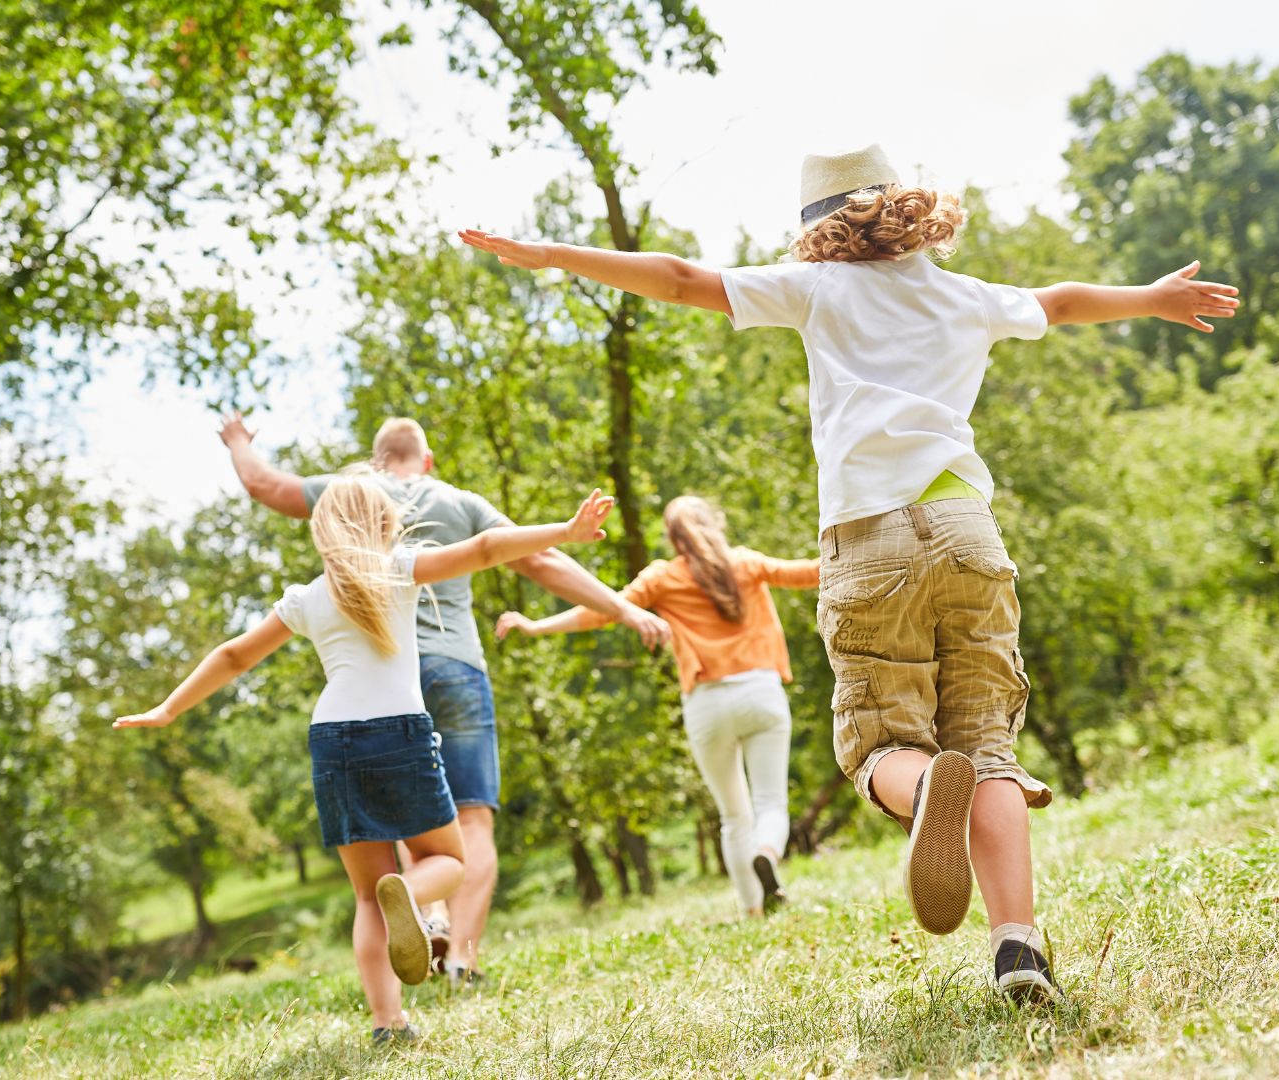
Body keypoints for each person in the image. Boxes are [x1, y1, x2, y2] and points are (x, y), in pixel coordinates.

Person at [457, 143, 1240, 1003]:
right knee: (987, 747)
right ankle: (1018, 950)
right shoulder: (963, 294)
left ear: (818, 229)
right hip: (967, 531)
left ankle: (923, 787)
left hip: (869, 539)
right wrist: (1153, 297)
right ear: (903, 207)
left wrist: (553, 254)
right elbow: (1058, 301)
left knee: (878, 742)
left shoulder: (818, 289)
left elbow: (680, 279)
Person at [114, 476, 618, 1041]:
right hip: (399, 732)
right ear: (384, 524)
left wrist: (168, 708)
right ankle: (411, 893)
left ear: (322, 531)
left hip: (332, 740)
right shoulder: (399, 569)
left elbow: (234, 656)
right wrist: (565, 531)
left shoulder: (306, 597)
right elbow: (483, 549)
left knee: (365, 895)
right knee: (448, 861)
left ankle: (387, 1022)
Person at [218, 413, 669, 986]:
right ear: (427, 460)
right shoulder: (459, 501)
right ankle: (462, 959)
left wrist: (238, 441)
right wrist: (623, 608)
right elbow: (536, 559)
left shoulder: (348, 493)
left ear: (377, 460)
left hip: (381, 683)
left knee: (414, 818)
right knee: (470, 820)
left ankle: (427, 916)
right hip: (456, 669)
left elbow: (264, 485)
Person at [494, 495, 821, 916]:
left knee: (733, 815)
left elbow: (604, 610)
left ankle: (752, 910)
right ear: (714, 524)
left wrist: (537, 626)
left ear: (672, 538)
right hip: (761, 692)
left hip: (707, 704)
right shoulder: (746, 563)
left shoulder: (663, 577)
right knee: (770, 803)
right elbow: (812, 572)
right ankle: (767, 853)